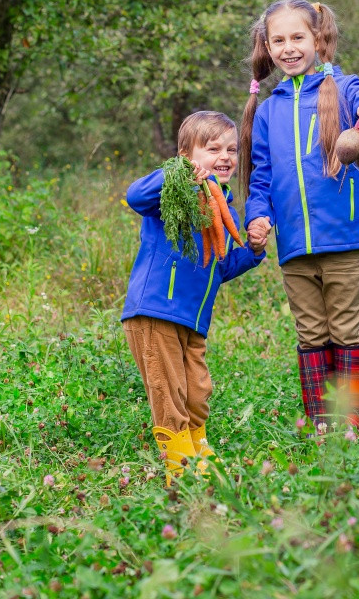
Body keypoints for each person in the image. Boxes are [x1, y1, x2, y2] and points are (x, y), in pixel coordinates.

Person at [241, 0, 359, 432]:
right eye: (279, 40)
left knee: (345, 328)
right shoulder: (269, 109)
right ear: (267, 47)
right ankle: (321, 422)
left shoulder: (343, 89)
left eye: (298, 37)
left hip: (345, 240)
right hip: (294, 245)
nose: (289, 47)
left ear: (318, 40)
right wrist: (257, 215)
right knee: (310, 334)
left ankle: (348, 419)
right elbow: (261, 177)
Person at [122, 110, 267, 483]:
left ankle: (198, 446)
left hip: (193, 319)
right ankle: (180, 467)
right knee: (167, 391)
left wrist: (251, 250)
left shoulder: (223, 204)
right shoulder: (171, 191)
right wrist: (179, 175)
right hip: (156, 311)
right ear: (188, 156)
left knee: (198, 391)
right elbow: (135, 195)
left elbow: (220, 266)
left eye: (232, 150)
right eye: (213, 148)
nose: (225, 157)